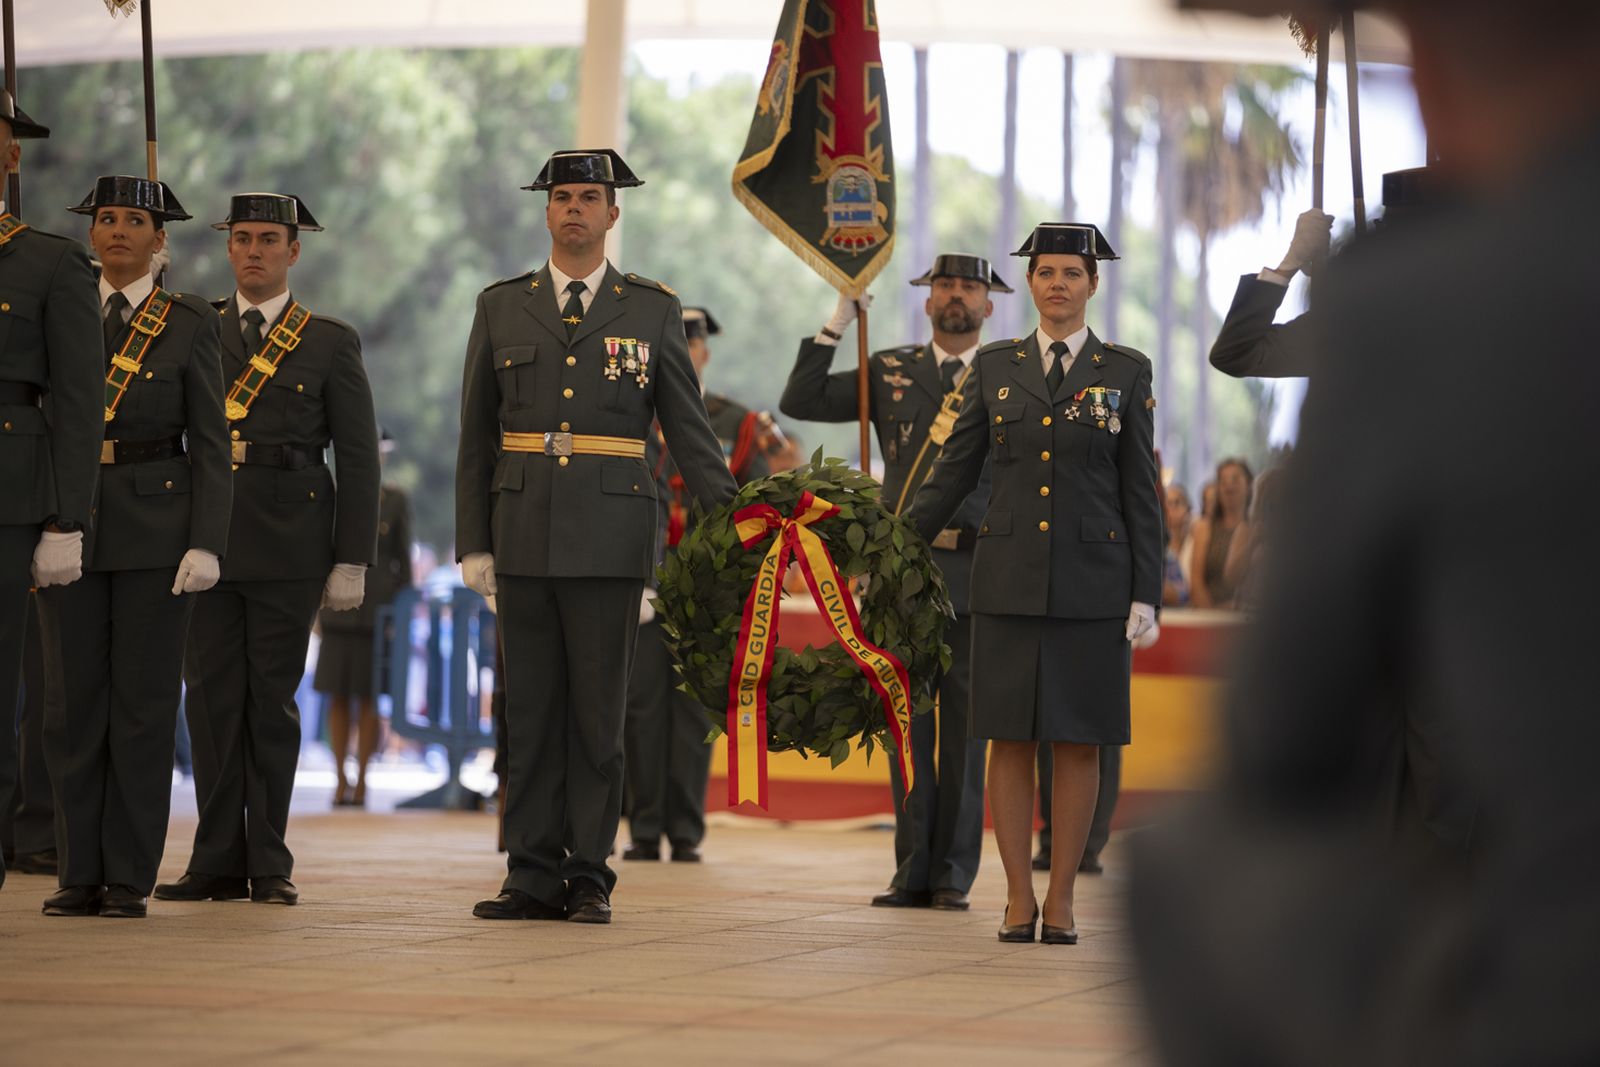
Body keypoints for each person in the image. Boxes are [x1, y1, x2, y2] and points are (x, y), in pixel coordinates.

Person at [1137, 0, 1600, 1060]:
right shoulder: (1393, 306)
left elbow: (1281, 727)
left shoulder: (1414, 307)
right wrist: (1286, 264)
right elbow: (1239, 353)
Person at [456, 149, 736, 924]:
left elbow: (689, 431)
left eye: (588, 197)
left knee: (598, 720)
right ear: (546, 212)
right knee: (529, 716)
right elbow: (476, 434)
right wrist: (474, 541)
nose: (574, 208)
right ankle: (529, 873)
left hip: (613, 539)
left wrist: (740, 521)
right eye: (562, 197)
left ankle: (587, 872)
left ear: (613, 214)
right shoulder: (500, 306)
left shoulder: (650, 309)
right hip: (522, 533)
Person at [906, 223, 1163, 944]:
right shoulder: (996, 366)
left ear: (1092, 285)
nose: (1057, 284)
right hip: (1008, 580)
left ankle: (1063, 898)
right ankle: (1018, 897)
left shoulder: (1125, 370)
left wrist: (1146, 591)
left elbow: (1139, 490)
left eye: (1071, 274)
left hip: (1094, 584)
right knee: (1010, 739)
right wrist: (897, 546)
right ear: (1028, 283)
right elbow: (952, 473)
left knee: (1078, 742)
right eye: (1046, 272)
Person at [157, 192, 379, 908]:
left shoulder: (329, 340)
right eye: (243, 238)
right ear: (229, 248)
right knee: (211, 701)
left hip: (292, 543)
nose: (254, 250)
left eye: (268, 239)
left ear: (294, 251)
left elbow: (357, 458)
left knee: (271, 704)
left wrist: (351, 558)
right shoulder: (195, 326)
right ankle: (216, 859)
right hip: (209, 539)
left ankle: (270, 858)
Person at [781, 253, 1010, 912]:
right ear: (928, 301)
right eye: (945, 286)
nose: (957, 296)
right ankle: (911, 868)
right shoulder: (890, 370)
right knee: (906, 725)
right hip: (902, 572)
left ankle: (953, 873)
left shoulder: (1005, 375)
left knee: (966, 734)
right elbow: (800, 399)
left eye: (969, 287)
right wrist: (837, 323)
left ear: (989, 304)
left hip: (976, 570)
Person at [37, 175, 231, 918]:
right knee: (71, 707)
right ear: (91, 233)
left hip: (157, 530)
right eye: (107, 218)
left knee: (144, 708)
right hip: (69, 524)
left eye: (135, 220)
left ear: (160, 240)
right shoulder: (59, 308)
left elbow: (210, 441)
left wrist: (207, 541)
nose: (118, 230)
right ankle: (77, 870)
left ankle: (127, 875)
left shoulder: (188, 321)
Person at [623, 306, 776, 864]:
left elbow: (756, 506)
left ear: (705, 353)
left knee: (693, 711)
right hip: (643, 581)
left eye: (692, 344)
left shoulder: (736, 421)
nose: (685, 353)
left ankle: (686, 829)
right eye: (676, 344)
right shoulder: (633, 412)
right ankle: (643, 827)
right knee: (640, 707)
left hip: (707, 589)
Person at [0, 93, 104, 895]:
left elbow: (77, 399)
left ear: (11, 157)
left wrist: (67, 516)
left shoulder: (50, 262)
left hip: (8, 494)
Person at [315, 429, 412, 807]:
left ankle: (363, 778)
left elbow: (403, 563)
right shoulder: (333, 494)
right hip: (337, 608)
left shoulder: (395, 499)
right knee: (337, 694)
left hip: (377, 613)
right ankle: (341, 776)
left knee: (370, 697)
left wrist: (399, 614)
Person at [1187, 458, 1252, 610]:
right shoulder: (1204, 528)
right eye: (1223, 481)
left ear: (1249, 485)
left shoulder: (1257, 528)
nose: (1229, 486)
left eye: (1235, 479)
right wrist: (1214, 614)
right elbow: (1196, 582)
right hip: (1210, 615)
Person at [1162, 483, 1193, 607]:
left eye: (1177, 502)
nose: (1172, 508)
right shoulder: (1158, 546)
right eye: (1168, 503)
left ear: (1188, 509)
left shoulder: (1194, 542)